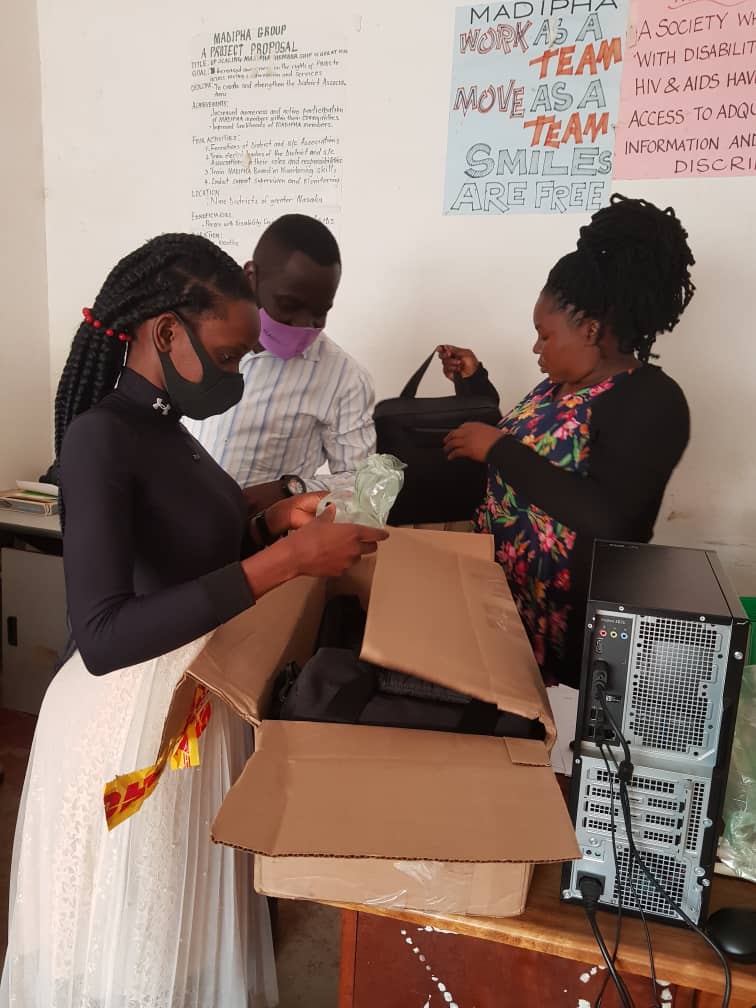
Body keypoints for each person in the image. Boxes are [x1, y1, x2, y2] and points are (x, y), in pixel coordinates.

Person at [0, 233, 387, 1008]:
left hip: (191, 707)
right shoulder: (100, 436)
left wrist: (271, 517)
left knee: (184, 931)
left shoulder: (167, 428)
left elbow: (186, 546)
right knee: (134, 939)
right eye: (231, 354)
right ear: (167, 332)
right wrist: (286, 561)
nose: (236, 375)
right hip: (125, 730)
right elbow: (105, 635)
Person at [439, 194, 694, 688]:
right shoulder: (559, 384)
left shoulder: (651, 400)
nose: (536, 346)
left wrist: (497, 449)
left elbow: (613, 518)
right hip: (504, 612)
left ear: (591, 329)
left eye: (544, 334)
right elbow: (530, 448)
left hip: (567, 644)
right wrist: (473, 384)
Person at [185, 214, 376, 514]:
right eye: (289, 305)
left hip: (265, 543)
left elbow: (364, 487)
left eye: (319, 312)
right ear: (251, 278)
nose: (303, 324)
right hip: (175, 530)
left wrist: (290, 489)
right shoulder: (195, 341)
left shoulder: (345, 379)